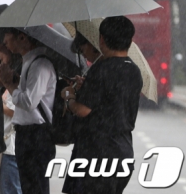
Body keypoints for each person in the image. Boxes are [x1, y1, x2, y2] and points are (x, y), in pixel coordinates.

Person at [61, 16, 142, 194]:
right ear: (129, 40)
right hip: (123, 151)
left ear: (102, 39)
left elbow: (82, 110)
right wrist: (88, 87)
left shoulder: (101, 69)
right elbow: (112, 97)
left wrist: (69, 97)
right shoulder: (134, 70)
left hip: (97, 152)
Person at [0, 29, 56, 194]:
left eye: (7, 35)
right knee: (28, 186)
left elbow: (29, 102)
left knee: (35, 187)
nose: (4, 40)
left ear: (22, 37)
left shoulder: (39, 65)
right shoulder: (29, 62)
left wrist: (9, 84)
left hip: (36, 136)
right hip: (29, 135)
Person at [0, 44, 22, 194]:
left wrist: (0, 106)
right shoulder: (8, 83)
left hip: (12, 147)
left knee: (10, 189)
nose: (1, 64)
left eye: (2, 59)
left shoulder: (16, 81)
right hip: (8, 145)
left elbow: (17, 110)